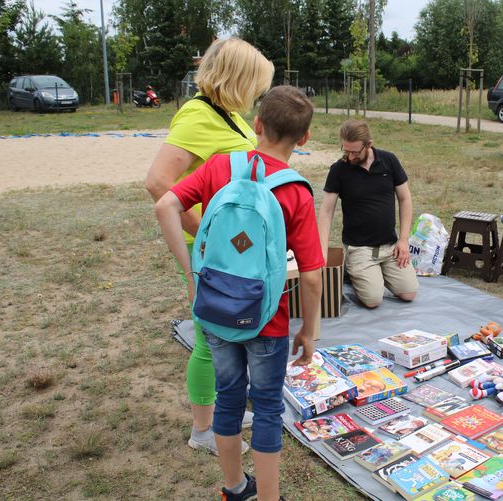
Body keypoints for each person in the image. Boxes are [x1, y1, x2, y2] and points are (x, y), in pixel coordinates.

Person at [155, 85, 324, 501]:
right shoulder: (296, 191)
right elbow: (312, 275)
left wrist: (192, 273)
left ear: (257, 124)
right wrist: (309, 330)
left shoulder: (219, 166)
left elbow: (165, 206)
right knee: (266, 407)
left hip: (215, 308)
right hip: (268, 319)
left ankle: (233, 488)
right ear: (304, 138)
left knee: (228, 399)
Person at [145, 38, 274, 456]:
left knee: (229, 333)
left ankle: (222, 409)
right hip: (211, 250)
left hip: (232, 246)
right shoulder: (198, 116)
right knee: (209, 338)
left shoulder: (229, 114)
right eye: (255, 82)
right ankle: (203, 429)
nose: (258, 91)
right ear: (237, 78)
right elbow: (158, 183)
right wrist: (203, 232)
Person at [318, 120, 418, 308]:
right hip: (359, 248)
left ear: (369, 144)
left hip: (390, 246)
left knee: (409, 293)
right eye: (346, 150)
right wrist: (322, 250)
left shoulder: (389, 160)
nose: (350, 156)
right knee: (373, 300)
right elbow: (326, 211)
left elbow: (405, 199)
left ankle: (372, 274)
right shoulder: (338, 169)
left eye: (355, 152)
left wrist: (403, 240)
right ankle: (356, 271)